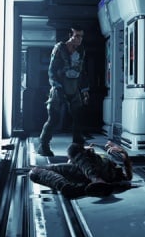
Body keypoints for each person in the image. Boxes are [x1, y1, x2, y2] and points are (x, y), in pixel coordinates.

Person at [38, 26, 91, 156]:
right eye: (76, 36)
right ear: (70, 36)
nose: (79, 39)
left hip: (74, 87)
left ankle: (77, 148)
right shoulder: (60, 48)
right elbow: (51, 71)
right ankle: (43, 145)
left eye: (81, 36)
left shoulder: (81, 50)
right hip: (60, 87)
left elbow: (82, 71)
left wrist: (85, 90)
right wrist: (57, 87)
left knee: (78, 118)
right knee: (54, 118)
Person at [28, 141, 134, 198]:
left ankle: (95, 180)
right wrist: (85, 151)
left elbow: (127, 177)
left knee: (72, 148)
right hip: (84, 175)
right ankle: (74, 188)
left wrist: (124, 154)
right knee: (35, 172)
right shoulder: (90, 157)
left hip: (96, 173)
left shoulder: (109, 164)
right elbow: (127, 177)